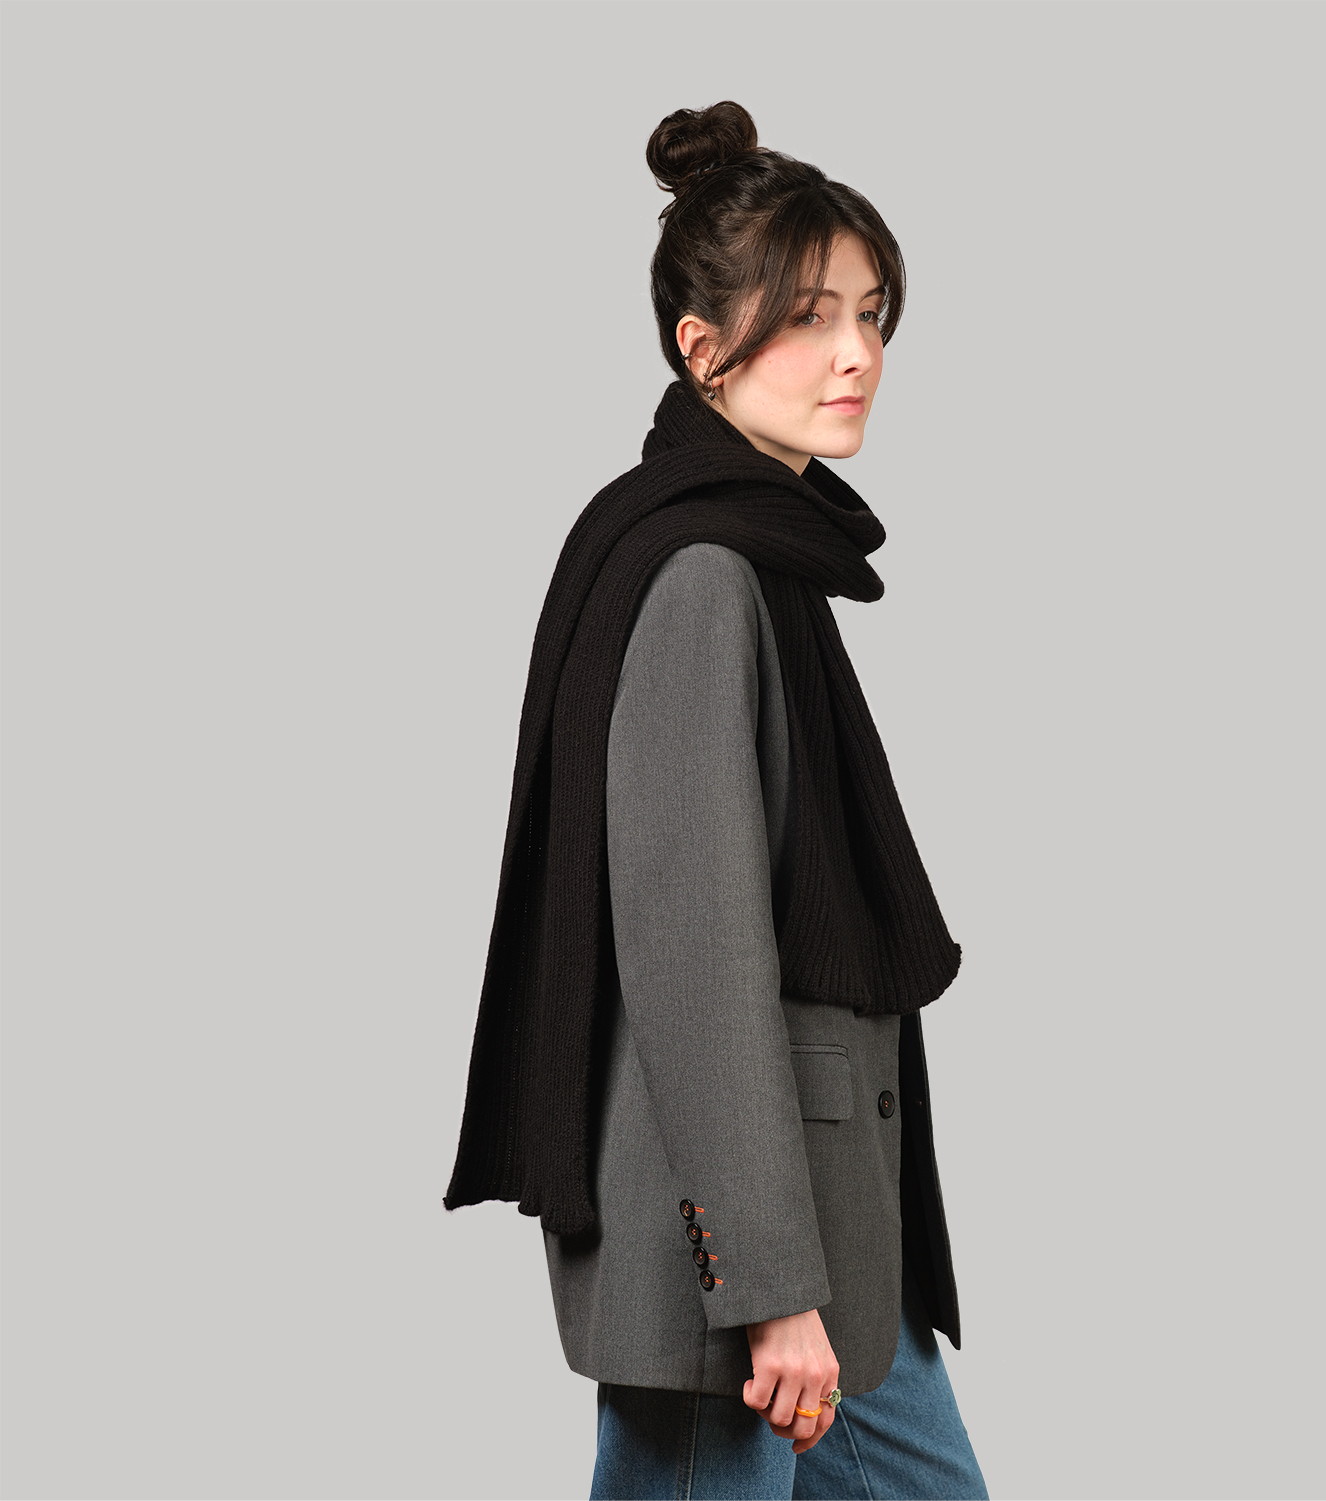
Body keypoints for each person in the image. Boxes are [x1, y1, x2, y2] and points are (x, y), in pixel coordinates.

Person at [445, 101, 988, 1501]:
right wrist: (765, 1284)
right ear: (703, 349)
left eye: (872, 314)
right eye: (810, 318)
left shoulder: (760, 554)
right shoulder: (699, 575)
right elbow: (692, 961)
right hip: (740, 1268)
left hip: (829, 1227)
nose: (858, 353)